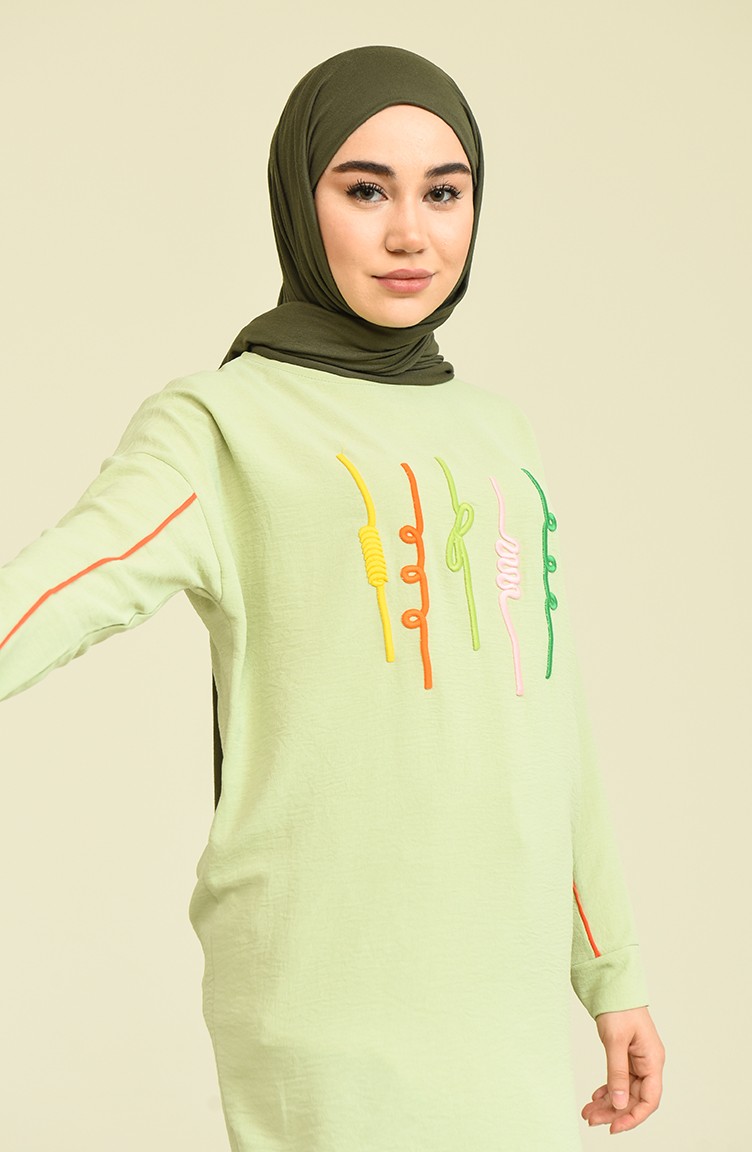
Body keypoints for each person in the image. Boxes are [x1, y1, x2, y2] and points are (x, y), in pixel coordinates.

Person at [0, 44, 664, 1150]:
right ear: (299, 204)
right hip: (326, 975)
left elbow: (551, 719)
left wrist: (610, 969)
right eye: (365, 191)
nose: (411, 234)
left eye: (442, 193)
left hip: (497, 985)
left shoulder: (499, 434)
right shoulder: (222, 423)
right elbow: (49, 596)